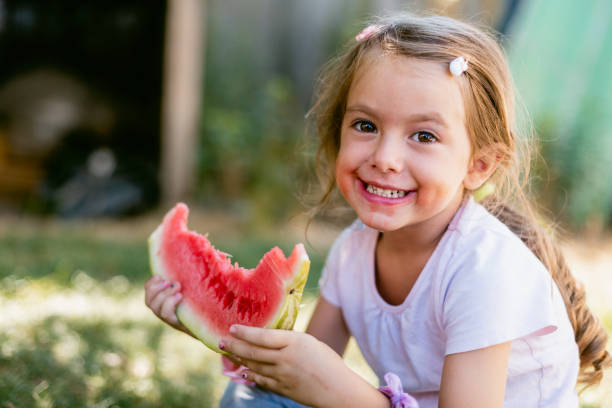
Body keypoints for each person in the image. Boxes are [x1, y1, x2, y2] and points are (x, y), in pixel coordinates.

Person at [145, 13, 611, 407]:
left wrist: (340, 392)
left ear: (479, 165)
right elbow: (293, 374)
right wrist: (205, 321)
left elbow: (327, 386)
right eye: (365, 125)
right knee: (250, 397)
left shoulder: (483, 270)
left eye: (423, 136)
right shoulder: (354, 250)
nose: (385, 157)